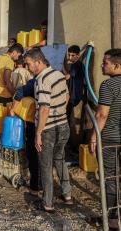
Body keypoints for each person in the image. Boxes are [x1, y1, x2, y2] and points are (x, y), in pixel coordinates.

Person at [25, 48, 72, 213]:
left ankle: (48, 203)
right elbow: (66, 96)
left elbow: (44, 108)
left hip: (48, 129)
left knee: (45, 166)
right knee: (60, 160)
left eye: (29, 64)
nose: (28, 68)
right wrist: (59, 112)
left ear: (38, 62)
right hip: (63, 125)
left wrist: (38, 132)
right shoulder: (59, 75)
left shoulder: (42, 79)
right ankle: (67, 195)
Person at [89, 49, 121, 229]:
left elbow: (101, 115)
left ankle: (112, 219)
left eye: (105, 63)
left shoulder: (108, 85)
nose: (102, 65)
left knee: (110, 178)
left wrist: (94, 137)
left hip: (111, 139)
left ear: (116, 65)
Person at [62, 45, 85, 125]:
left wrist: (61, 66)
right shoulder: (75, 65)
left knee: (65, 116)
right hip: (73, 95)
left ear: (78, 55)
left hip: (73, 95)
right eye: (69, 55)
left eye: (73, 55)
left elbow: (67, 77)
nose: (70, 57)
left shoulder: (77, 65)